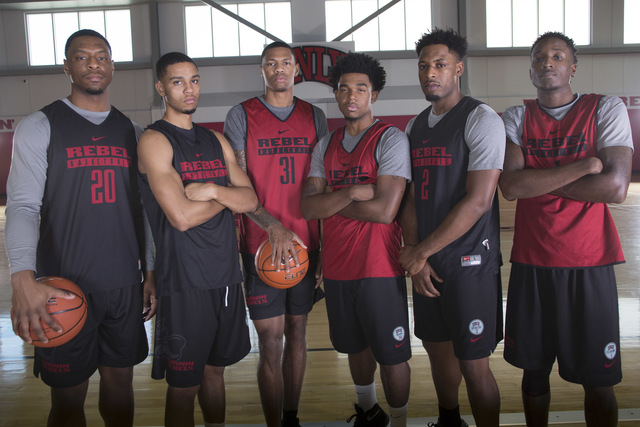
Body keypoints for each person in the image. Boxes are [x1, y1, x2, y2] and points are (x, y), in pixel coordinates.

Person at [5, 29, 156, 427]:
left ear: (112, 66)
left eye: (101, 56)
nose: (93, 63)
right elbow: (22, 206)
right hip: (62, 287)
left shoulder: (133, 132)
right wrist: (21, 278)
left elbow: (142, 210)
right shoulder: (40, 125)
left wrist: (150, 273)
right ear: (66, 66)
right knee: (68, 398)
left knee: (121, 385)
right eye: (82, 56)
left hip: (123, 284)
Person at [499, 32, 633, 427]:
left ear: (572, 67)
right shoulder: (516, 117)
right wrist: (582, 168)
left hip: (589, 262)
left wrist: (537, 181)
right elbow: (510, 187)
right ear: (531, 70)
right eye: (539, 57)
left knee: (599, 380)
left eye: (557, 56)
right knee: (533, 374)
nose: (547, 62)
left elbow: (615, 188)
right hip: (533, 262)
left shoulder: (605, 108)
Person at [137, 51, 258, 427]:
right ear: (161, 88)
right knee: (184, 386)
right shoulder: (155, 141)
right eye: (177, 82)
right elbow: (182, 217)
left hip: (226, 277)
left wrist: (211, 190)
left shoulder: (215, 140)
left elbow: (251, 200)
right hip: (184, 282)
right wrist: (226, 197)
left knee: (215, 373)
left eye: (194, 80)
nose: (188, 89)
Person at [398, 28, 504, 427]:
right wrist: (417, 256)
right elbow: (410, 199)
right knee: (437, 351)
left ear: (458, 68)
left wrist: (420, 252)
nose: (430, 73)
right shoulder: (414, 127)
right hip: (427, 262)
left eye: (440, 64)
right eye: (424, 66)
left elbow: (478, 201)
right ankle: (449, 420)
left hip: (470, 264)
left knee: (474, 363)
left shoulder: (481, 118)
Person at [300, 52, 411, 427]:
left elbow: (384, 211)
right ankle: (369, 411)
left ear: (373, 95)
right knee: (354, 347)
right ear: (335, 94)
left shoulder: (390, 139)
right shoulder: (325, 145)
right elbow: (308, 207)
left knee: (392, 355)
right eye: (344, 88)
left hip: (379, 266)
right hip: (337, 269)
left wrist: (330, 201)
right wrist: (350, 193)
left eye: (361, 88)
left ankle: (399, 421)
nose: (351, 96)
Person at [223, 40, 328, 427]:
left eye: (286, 63)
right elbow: (237, 183)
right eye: (271, 63)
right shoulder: (241, 115)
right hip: (260, 245)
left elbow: (323, 184)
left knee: (298, 331)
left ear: (296, 70)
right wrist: (272, 226)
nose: (279, 69)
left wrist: (325, 247)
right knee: (271, 340)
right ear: (262, 70)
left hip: (306, 245)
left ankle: (291, 417)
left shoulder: (315, 116)